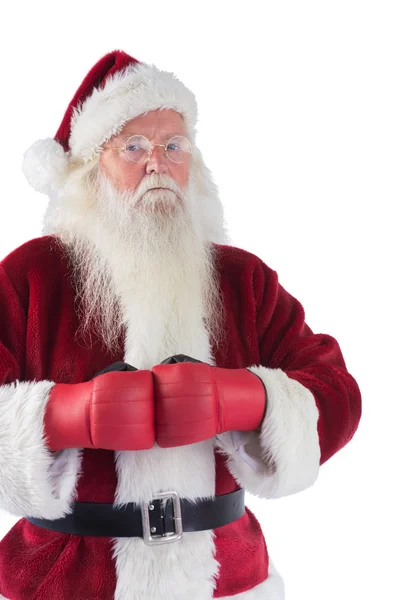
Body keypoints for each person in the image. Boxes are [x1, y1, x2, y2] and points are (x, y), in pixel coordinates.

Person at [0, 50, 362, 600]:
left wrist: (246, 400)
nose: (157, 163)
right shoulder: (30, 276)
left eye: (174, 146)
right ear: (90, 168)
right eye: (134, 147)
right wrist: (66, 417)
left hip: (227, 577)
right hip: (68, 579)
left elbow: (336, 390)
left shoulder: (244, 279)